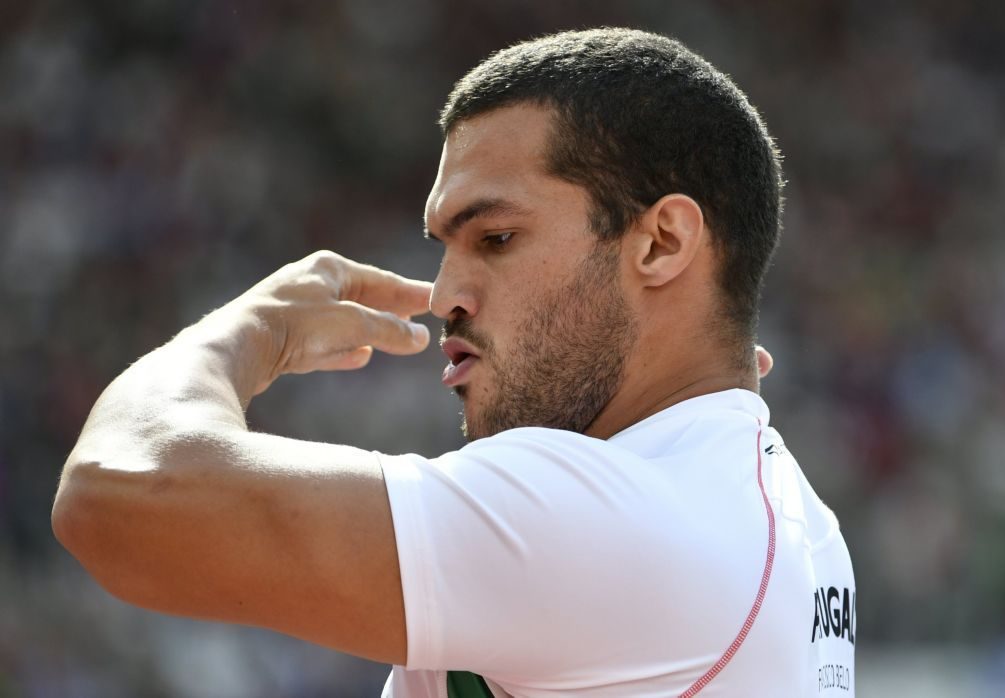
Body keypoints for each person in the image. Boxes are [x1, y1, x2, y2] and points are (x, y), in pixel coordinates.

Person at [52, 28, 856, 697]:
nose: (444, 296)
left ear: (660, 242)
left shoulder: (608, 515)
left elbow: (118, 493)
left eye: (495, 239)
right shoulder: (778, 508)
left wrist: (242, 332)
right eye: (444, 248)